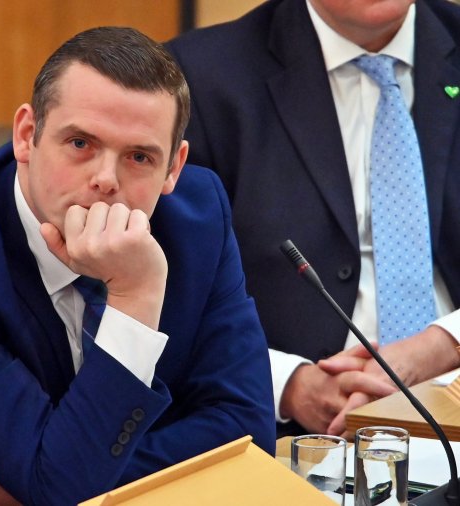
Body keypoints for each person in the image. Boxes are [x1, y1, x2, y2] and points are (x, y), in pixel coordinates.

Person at [0, 26, 275, 506]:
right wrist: (136, 298)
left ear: (174, 169)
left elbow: (246, 432)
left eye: (139, 157)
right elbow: (60, 486)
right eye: (80, 143)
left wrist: (39, 472)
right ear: (26, 135)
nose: (105, 180)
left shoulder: (198, 217)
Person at [166, 0, 460, 438]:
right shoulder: (198, 77)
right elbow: (168, 299)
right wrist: (289, 385)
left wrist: (440, 346)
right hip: (296, 434)